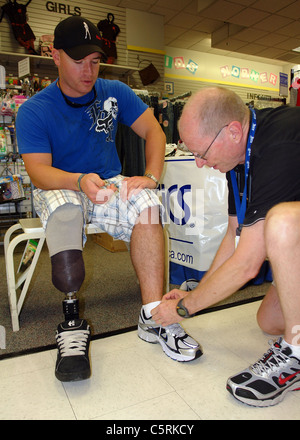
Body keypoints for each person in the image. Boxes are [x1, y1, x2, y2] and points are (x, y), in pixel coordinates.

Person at [16, 16, 202, 382]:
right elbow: (39, 172)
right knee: (68, 210)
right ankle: (71, 325)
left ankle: (153, 317)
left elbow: (153, 130)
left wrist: (150, 177)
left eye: (95, 61)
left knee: (149, 209)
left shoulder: (114, 90)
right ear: (55, 56)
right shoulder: (34, 109)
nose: (88, 70)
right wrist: (79, 179)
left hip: (109, 183)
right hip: (61, 184)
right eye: (78, 60)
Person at [152, 86, 300, 407]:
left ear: (233, 131)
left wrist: (184, 308)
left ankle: (296, 353)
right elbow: (235, 235)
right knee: (271, 321)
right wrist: (195, 293)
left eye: (202, 153)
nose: (201, 164)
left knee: (283, 222)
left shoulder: (282, 142)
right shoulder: (240, 160)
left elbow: (247, 262)